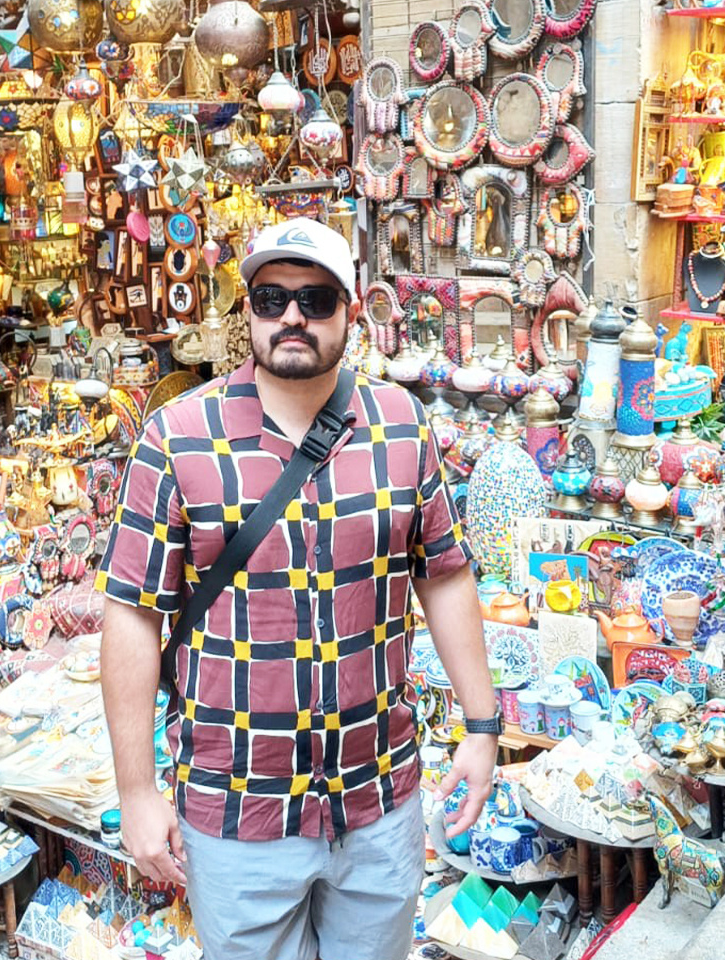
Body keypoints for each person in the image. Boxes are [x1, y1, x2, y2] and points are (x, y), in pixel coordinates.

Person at [97, 217, 497, 960]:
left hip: (376, 798)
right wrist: (137, 791)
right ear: (247, 310)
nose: (291, 316)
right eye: (271, 298)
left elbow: (444, 575)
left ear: (352, 311)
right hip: (237, 809)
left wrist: (482, 725)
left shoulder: (402, 425)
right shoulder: (177, 437)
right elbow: (131, 615)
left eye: (314, 300)